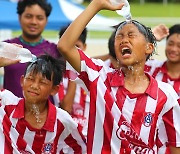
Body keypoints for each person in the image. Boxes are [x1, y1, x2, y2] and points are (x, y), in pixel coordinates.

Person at [57, 0, 180, 153]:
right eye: (119, 36)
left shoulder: (166, 95)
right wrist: (96, 5)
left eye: (131, 35)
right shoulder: (99, 76)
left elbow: (175, 145)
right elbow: (65, 46)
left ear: (149, 47)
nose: (124, 40)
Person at [0, 54, 86, 153]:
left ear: (54, 89)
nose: (34, 86)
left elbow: (81, 150)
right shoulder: (5, 104)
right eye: (30, 79)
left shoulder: (63, 122)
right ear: (22, 81)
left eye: (43, 82)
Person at [3, 0, 64, 98]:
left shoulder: (55, 50)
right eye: (28, 16)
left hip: (44, 112)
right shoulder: (7, 47)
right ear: (19, 17)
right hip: (10, 112)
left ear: (46, 21)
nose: (33, 22)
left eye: (39, 18)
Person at [54, 24, 90, 138]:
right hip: (65, 138)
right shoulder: (57, 75)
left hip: (88, 137)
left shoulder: (93, 74)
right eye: (69, 47)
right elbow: (66, 108)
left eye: (77, 46)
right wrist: (74, 73)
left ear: (84, 46)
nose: (72, 52)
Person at [145, 24, 180, 97]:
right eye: (170, 44)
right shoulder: (150, 67)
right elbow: (121, 59)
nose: (173, 49)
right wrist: (149, 37)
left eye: (179, 46)